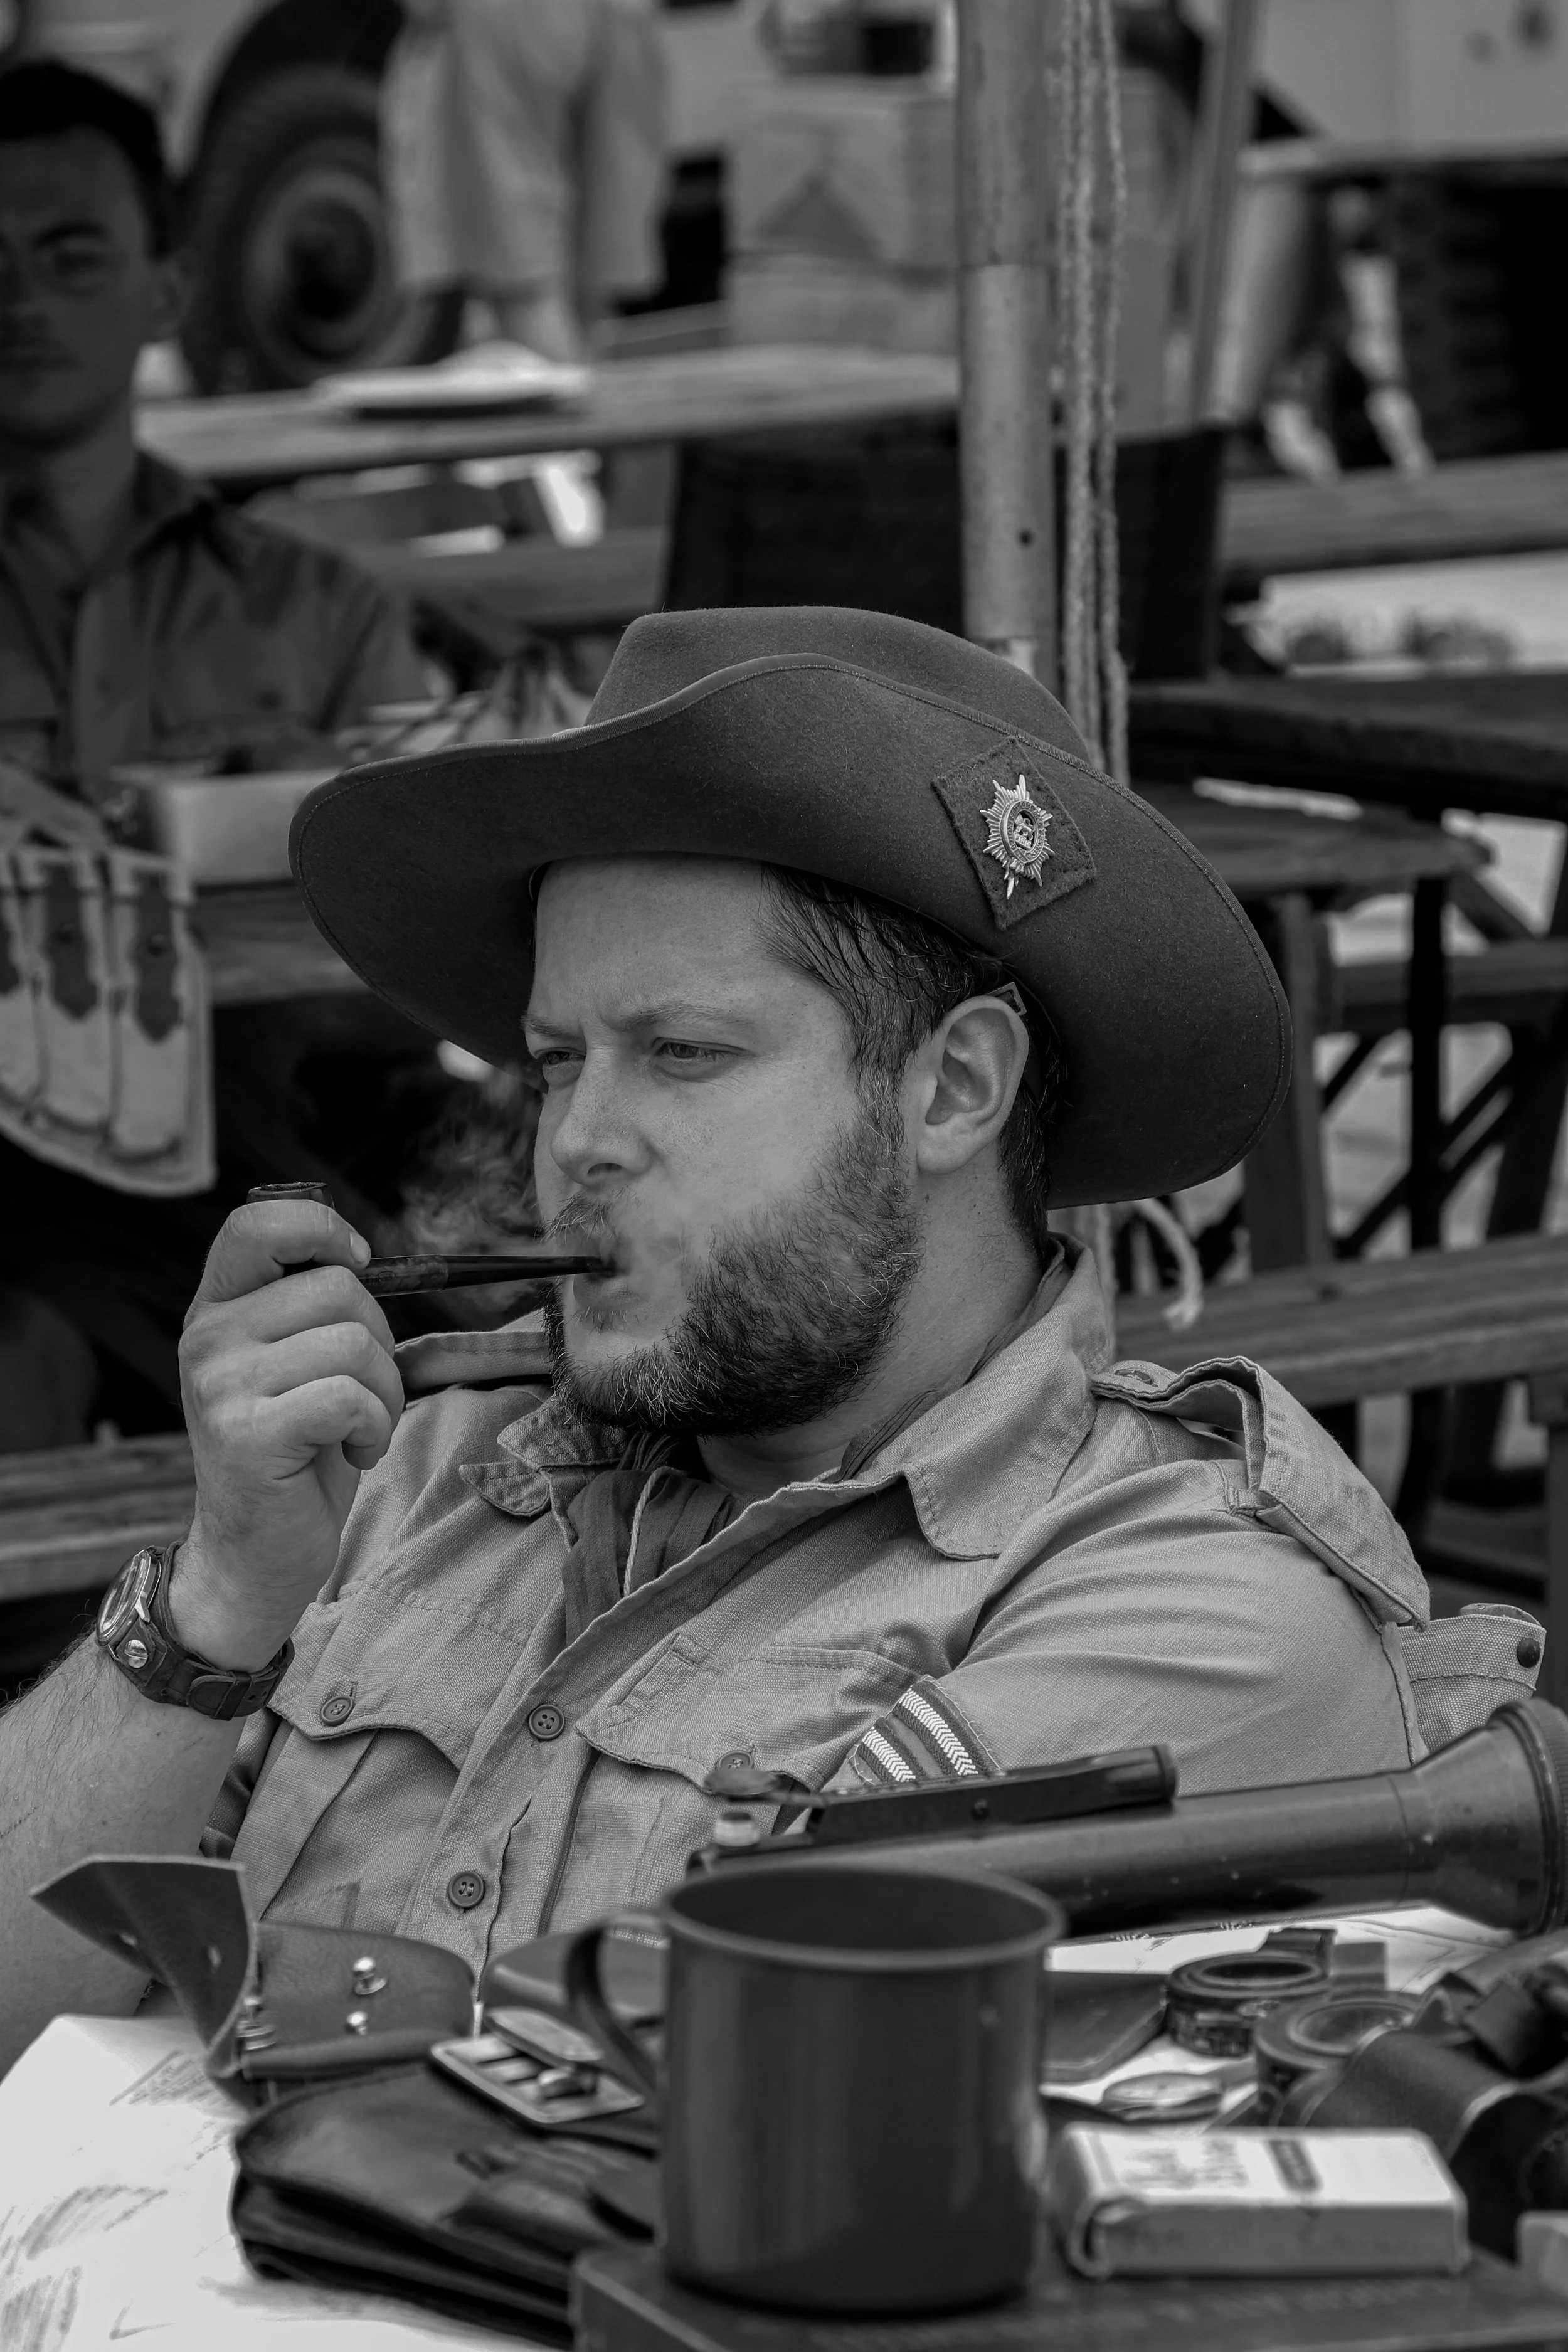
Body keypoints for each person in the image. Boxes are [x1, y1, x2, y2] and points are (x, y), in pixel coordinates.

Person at [0, 606, 1455, 2068]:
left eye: (682, 1053)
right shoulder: (412, 1476)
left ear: (955, 1086)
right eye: (555, 1061)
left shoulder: (1191, 1610)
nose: (578, 1139)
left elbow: (741, 2102)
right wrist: (217, 1596)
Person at [0, 60, 435, 1456]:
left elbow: (416, 973)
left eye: (71, 252)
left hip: (276, 1167)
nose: (21, 296)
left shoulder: (322, 610)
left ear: (169, 290)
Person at [383, 0, 669, 364]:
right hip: (623, 13)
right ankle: (587, 382)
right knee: (590, 274)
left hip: (501, 17)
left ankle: (571, 397)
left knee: (521, 284)